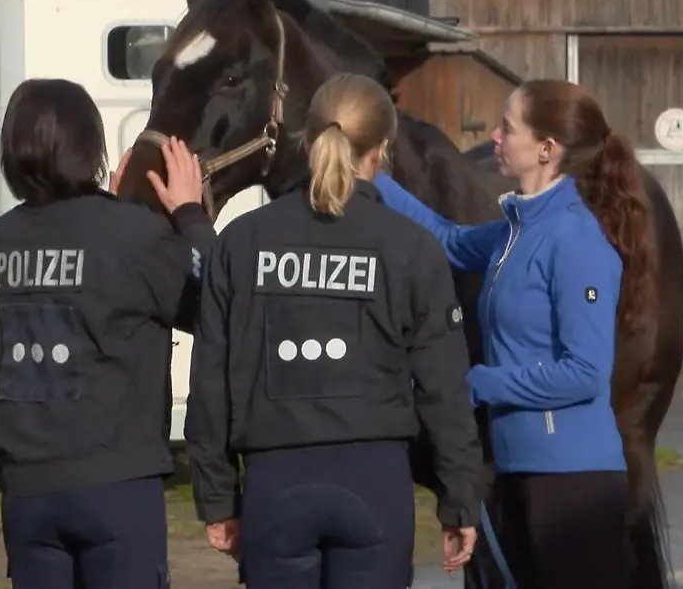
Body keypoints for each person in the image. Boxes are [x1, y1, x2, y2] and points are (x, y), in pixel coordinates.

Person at [184, 72, 483, 589]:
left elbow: (210, 380)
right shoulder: (410, 248)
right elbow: (444, 388)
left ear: (306, 136)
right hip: (375, 483)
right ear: (381, 148)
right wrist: (459, 498)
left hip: (274, 485)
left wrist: (216, 495)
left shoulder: (241, 243)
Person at [370, 79, 656, 589]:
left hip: (573, 485)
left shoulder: (574, 240)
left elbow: (586, 374)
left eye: (508, 127)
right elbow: (448, 240)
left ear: (546, 149)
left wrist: (479, 383)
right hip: (519, 469)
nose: (495, 137)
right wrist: (369, 177)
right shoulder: (515, 229)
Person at [0, 77, 216, 589]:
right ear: (90, 147)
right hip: (115, 483)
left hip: (28, 489)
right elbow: (214, 304)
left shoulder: (6, 236)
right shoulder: (131, 234)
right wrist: (190, 214)